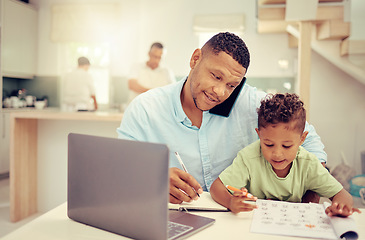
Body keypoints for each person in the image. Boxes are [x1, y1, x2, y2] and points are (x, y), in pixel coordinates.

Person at [117, 32, 327, 204]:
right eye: (216, 76)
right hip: (174, 217)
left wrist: (309, 200)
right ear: (195, 59)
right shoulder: (145, 109)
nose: (219, 92)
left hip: (240, 218)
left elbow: (310, 142)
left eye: (231, 85)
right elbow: (121, 168)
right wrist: (154, 178)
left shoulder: (251, 102)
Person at [210, 93, 361, 217]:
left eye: (287, 146)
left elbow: (343, 196)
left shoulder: (308, 163)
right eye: (268, 144)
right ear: (259, 135)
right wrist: (230, 202)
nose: (277, 153)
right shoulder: (248, 157)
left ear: (302, 139)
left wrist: (340, 207)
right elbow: (216, 188)